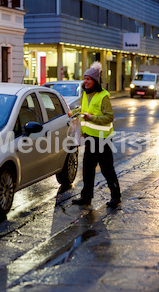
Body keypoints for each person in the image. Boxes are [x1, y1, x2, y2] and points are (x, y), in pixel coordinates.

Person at [69, 61, 121, 208]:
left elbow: (109, 117)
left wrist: (92, 118)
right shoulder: (85, 94)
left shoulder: (103, 96)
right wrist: (73, 113)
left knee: (107, 169)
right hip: (90, 138)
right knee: (87, 168)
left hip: (103, 139)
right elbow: (83, 108)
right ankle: (86, 197)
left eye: (88, 79)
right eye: (84, 78)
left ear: (95, 81)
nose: (85, 81)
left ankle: (116, 196)